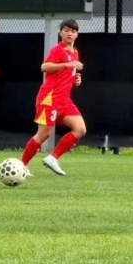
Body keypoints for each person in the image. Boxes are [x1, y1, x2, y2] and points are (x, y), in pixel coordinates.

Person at [20, 19, 86, 176]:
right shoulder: (58, 50)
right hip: (49, 97)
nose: (69, 33)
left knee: (80, 129)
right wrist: (66, 65)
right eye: (66, 30)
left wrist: (76, 78)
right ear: (60, 32)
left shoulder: (74, 52)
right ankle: (22, 166)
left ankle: (53, 158)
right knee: (44, 134)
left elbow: (68, 73)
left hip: (64, 100)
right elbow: (45, 66)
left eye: (73, 31)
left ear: (77, 34)